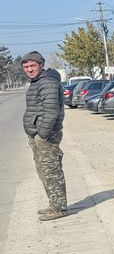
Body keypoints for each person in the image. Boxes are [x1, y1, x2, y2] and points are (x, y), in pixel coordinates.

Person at [21, 51, 68, 220]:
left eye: (32, 65)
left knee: (51, 171)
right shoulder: (37, 82)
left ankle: (59, 208)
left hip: (46, 136)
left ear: (41, 65)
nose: (29, 69)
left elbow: (51, 112)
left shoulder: (47, 82)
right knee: (44, 171)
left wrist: (42, 135)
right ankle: (54, 204)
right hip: (38, 134)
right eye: (26, 67)